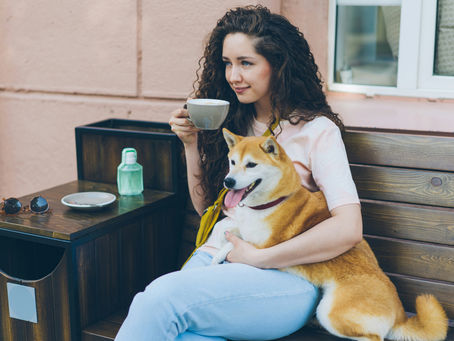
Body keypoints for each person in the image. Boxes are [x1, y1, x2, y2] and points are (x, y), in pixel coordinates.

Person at [115, 5, 362, 341]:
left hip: (286, 275)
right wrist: (190, 144)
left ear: (278, 65)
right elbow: (210, 210)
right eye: (227, 63)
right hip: (218, 256)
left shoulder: (317, 131)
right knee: (185, 335)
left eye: (246, 63)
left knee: (157, 299)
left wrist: (261, 257)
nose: (233, 76)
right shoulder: (234, 123)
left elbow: (348, 229)